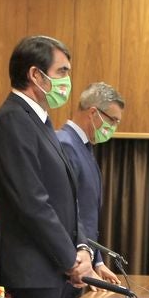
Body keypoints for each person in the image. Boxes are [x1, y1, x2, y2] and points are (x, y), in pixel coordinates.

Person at [0, 35, 92, 298]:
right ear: (35, 75)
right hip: (36, 273)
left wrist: (82, 248)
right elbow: (31, 202)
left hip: (56, 270)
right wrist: (71, 260)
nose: (67, 81)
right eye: (62, 72)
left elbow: (67, 198)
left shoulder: (40, 121)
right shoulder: (13, 120)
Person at [56, 82, 124, 285]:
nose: (113, 128)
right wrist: (79, 261)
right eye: (112, 120)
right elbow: (68, 211)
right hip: (68, 266)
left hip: (84, 262)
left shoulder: (84, 148)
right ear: (93, 113)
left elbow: (88, 215)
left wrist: (97, 261)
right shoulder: (65, 144)